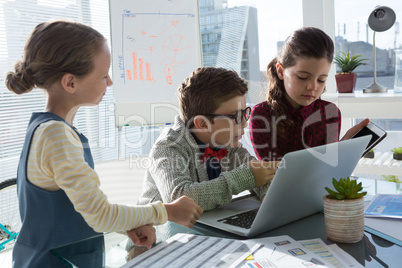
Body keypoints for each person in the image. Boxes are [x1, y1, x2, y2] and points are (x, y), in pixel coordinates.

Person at [5, 20, 202, 268]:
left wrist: (128, 226)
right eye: (104, 76)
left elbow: (82, 208)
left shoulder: (51, 129)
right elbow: (100, 215)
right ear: (70, 83)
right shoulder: (56, 136)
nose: (109, 83)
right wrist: (167, 211)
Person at [137, 67, 280, 211]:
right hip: (160, 229)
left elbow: (259, 173)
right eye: (235, 116)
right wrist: (245, 178)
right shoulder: (167, 147)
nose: (245, 122)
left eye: (245, 112)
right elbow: (179, 199)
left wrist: (267, 195)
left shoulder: (225, 141)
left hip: (204, 224)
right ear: (203, 124)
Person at [249, 27, 369, 161]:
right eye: (302, 77)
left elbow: (327, 170)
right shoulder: (261, 115)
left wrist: (341, 152)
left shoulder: (330, 113)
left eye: (321, 80)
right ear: (281, 71)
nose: (313, 87)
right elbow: (275, 174)